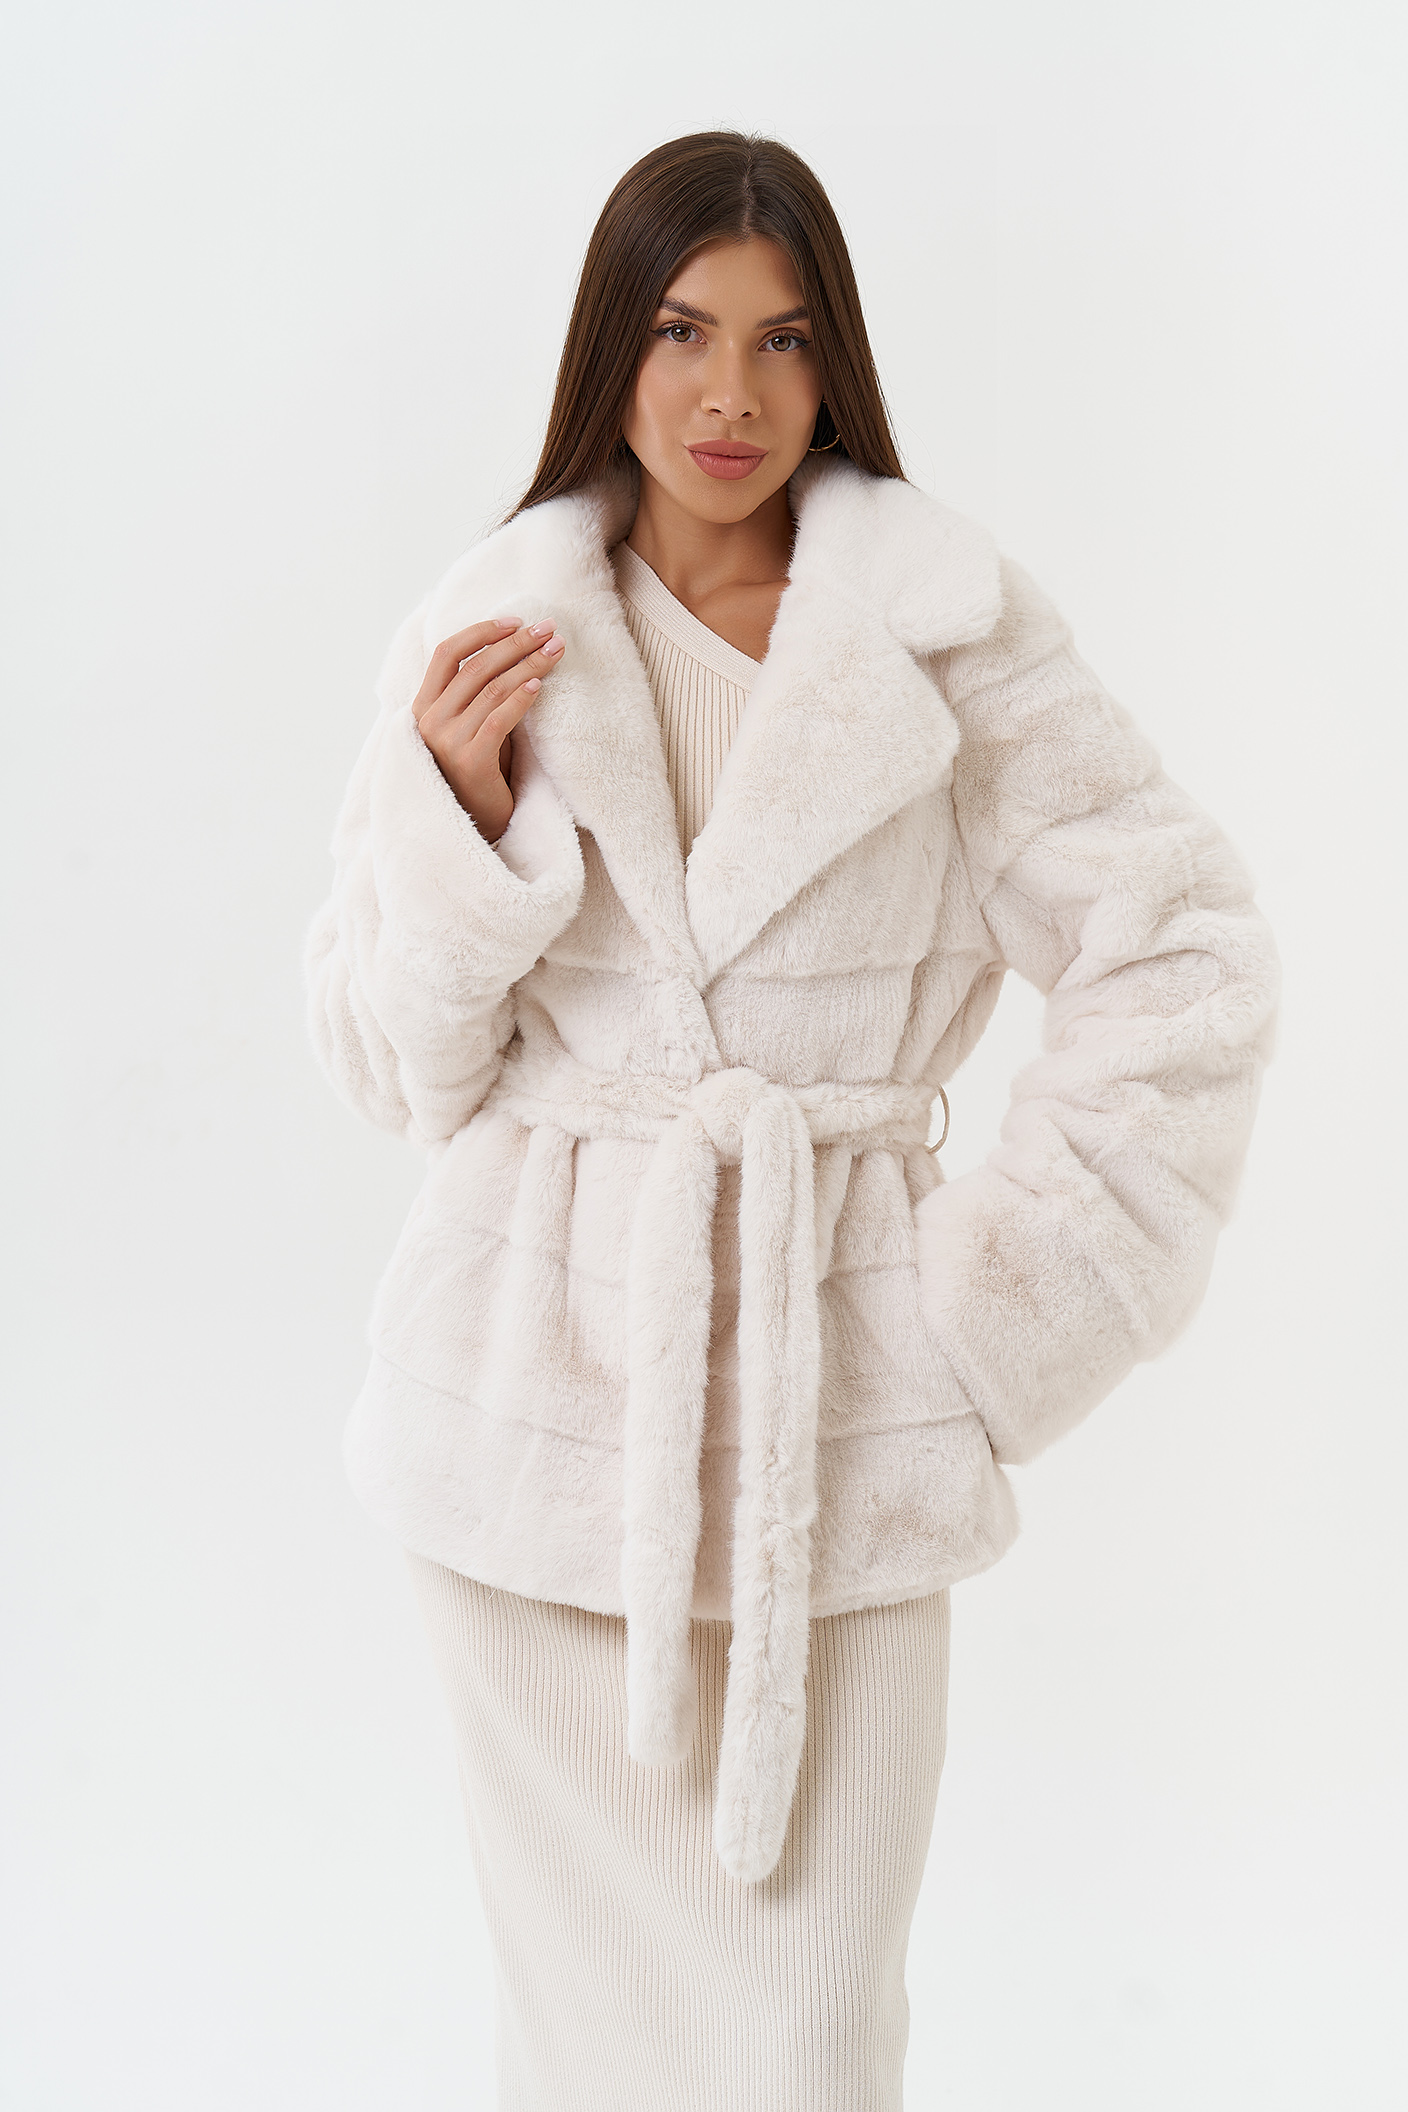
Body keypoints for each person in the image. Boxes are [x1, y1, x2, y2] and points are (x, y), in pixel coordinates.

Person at [306, 130, 1278, 2112]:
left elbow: (1180, 955)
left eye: (781, 338)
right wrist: (457, 824)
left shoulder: (945, 632)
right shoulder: (491, 633)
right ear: (610, 349)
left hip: (825, 1444)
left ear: (836, 364)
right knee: (578, 2055)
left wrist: (984, 1319)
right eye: (680, 333)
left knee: (806, 2043)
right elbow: (392, 1069)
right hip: (525, 1443)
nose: (728, 394)